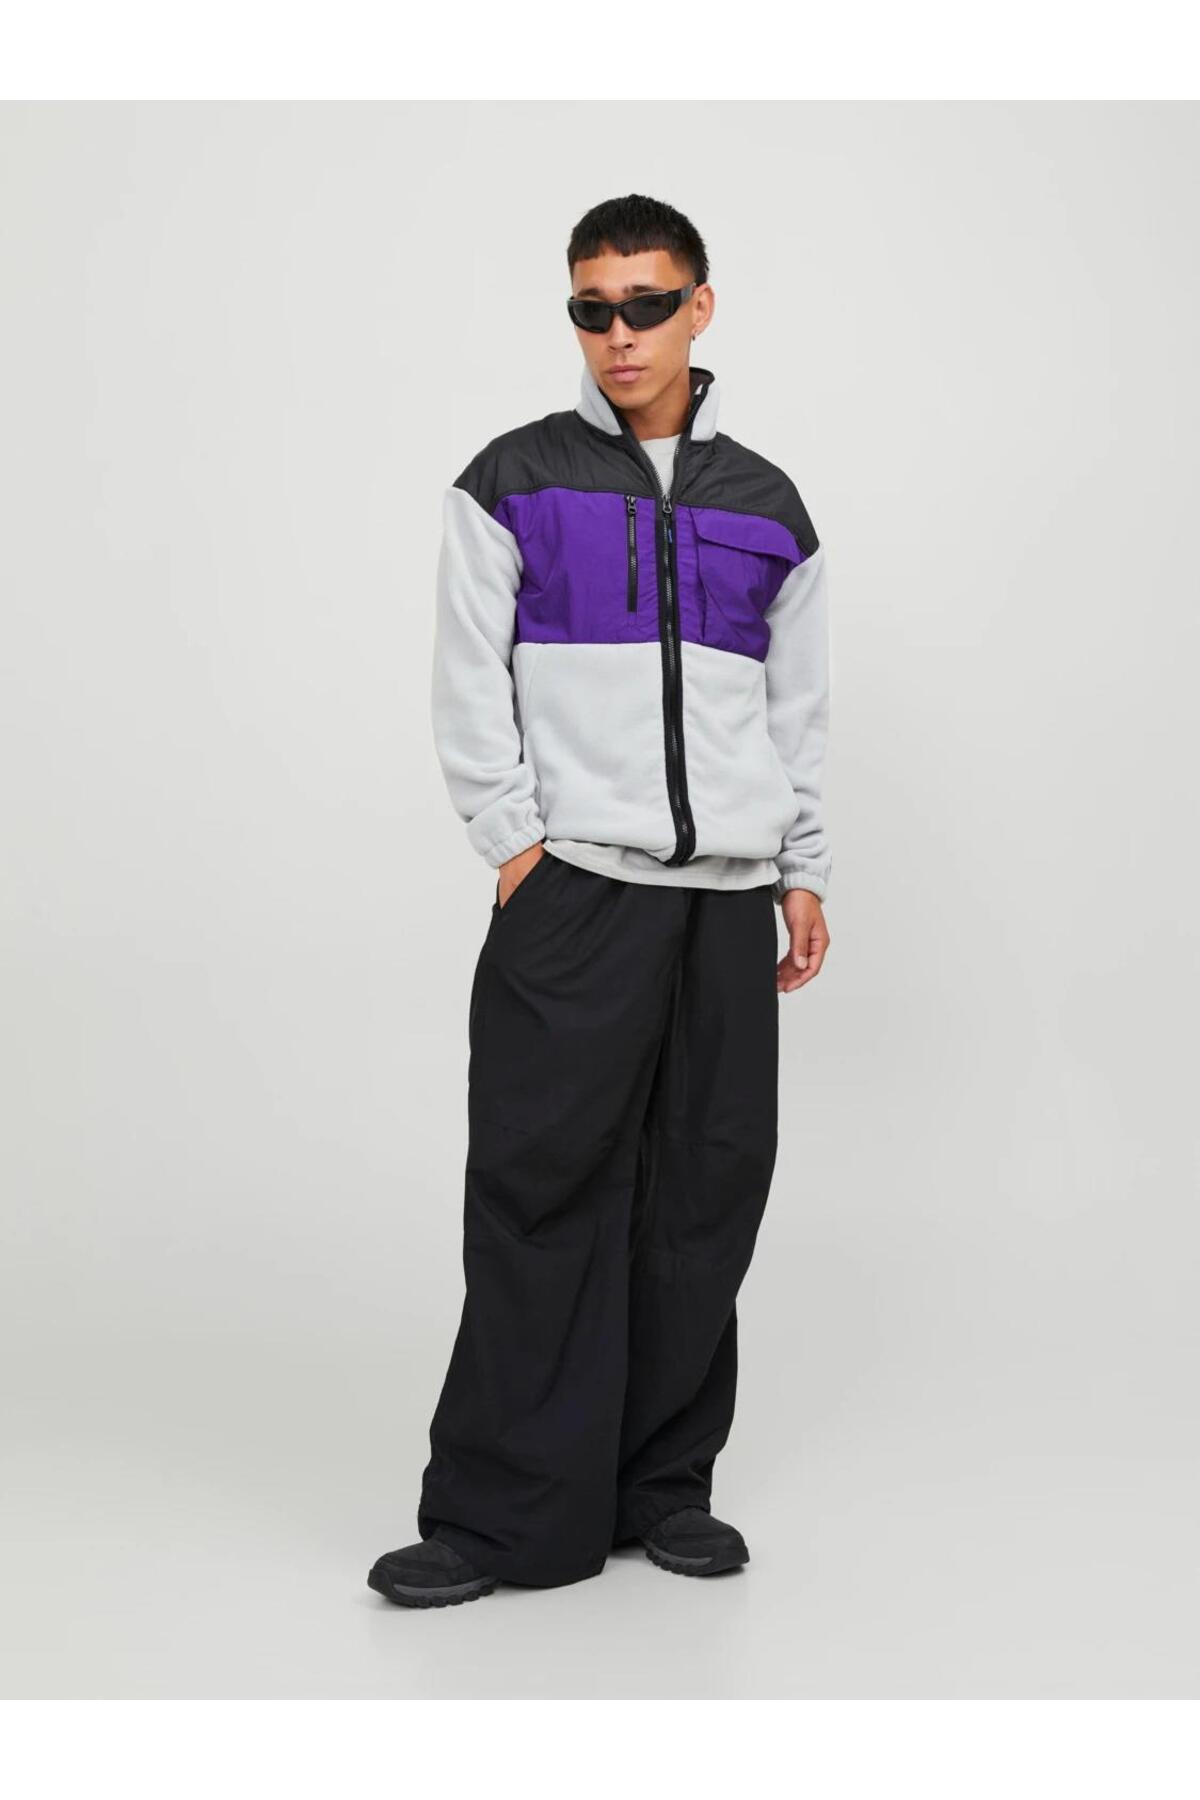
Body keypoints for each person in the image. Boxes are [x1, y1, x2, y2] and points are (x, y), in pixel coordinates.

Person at [368, 193, 832, 1609]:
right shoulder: (511, 479)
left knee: (704, 1192)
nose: (619, 333)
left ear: (701, 307)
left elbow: (796, 709)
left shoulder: (769, 505)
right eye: (592, 308)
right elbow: (468, 679)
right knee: (540, 1187)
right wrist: (517, 845)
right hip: (577, 891)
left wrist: (801, 867)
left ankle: (661, 1486)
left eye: (646, 304)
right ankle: (504, 1516)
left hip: (726, 901)